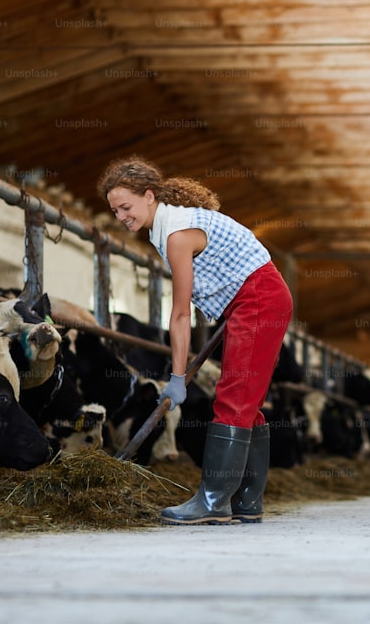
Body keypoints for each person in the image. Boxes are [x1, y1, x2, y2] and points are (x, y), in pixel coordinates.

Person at [98, 155, 293, 525]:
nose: (122, 216)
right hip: (256, 296)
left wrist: (175, 378)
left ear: (150, 196)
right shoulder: (170, 223)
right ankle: (246, 501)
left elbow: (181, 314)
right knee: (244, 399)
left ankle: (214, 501)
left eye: (126, 206)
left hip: (258, 298)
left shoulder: (176, 234)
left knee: (234, 397)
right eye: (115, 210)